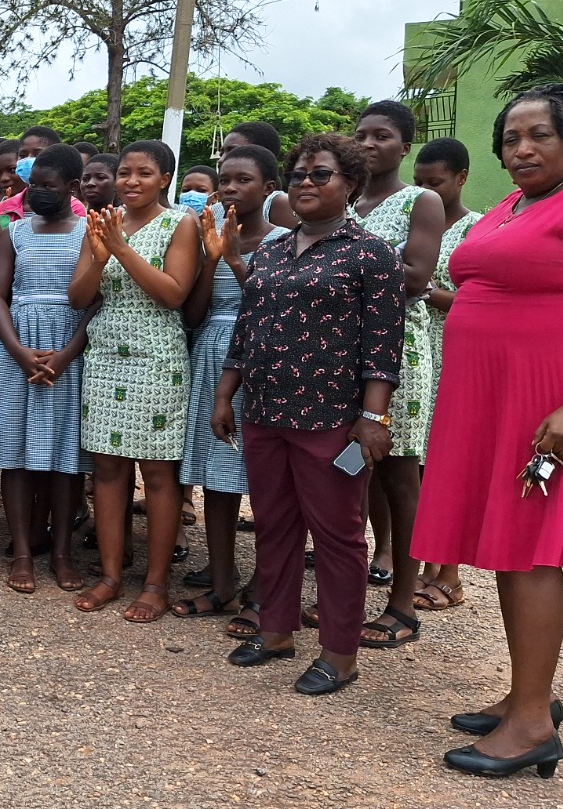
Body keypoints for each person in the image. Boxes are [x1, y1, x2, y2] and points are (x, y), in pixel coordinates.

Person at [413, 84, 563, 777]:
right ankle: (524, 697)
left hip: (553, 402)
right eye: (511, 138)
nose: (521, 149)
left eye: (539, 135)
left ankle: (534, 723)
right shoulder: (515, 205)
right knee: (512, 547)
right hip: (494, 399)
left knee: (531, 549)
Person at [214, 132, 404, 696]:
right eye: (298, 174)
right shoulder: (270, 250)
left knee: (339, 536)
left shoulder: (370, 254)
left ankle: (340, 652)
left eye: (321, 174)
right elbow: (246, 331)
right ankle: (276, 630)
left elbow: (382, 345)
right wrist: (227, 394)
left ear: (350, 185)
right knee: (275, 524)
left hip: (331, 421)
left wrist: (374, 419)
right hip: (266, 411)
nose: (305, 184)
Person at [69, 140, 200, 622]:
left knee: (158, 474)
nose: (131, 181)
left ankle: (156, 583)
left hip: (157, 357)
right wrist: (101, 254)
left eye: (144, 173)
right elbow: (79, 298)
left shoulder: (180, 223)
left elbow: (173, 294)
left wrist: (120, 248)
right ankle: (109, 576)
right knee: (106, 470)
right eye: (125, 172)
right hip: (105, 356)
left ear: (164, 179)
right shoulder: (100, 223)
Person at [172, 145, 285, 635]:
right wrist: (210, 257)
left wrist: (235, 258)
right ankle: (221, 581)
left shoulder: (288, 240)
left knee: (266, 484)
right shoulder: (208, 236)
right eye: (225, 181)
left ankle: (265, 589)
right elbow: (194, 315)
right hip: (212, 356)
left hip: (265, 361)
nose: (232, 189)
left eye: (244, 180)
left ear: (268, 187)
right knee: (215, 477)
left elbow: (272, 309)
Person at [0, 144, 93, 592]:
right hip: (15, 351)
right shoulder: (15, 232)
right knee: (17, 456)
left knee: (66, 461)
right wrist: (19, 350)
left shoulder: (90, 232)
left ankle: (62, 552)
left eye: (48, 186)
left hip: (70, 352)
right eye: (33, 186)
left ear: (72, 188)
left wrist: (65, 355)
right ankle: (23, 551)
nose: (37, 193)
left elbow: (95, 302)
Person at [352, 100, 445, 650]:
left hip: (397, 348)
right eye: (361, 134)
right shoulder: (345, 200)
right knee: (345, 472)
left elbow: (415, 276)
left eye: (381, 136)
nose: (368, 144)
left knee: (398, 474)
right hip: (341, 349)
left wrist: (347, 264)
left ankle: (403, 603)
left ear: (404, 146)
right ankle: (347, 591)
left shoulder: (421, 200)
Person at [409, 136, 480, 613]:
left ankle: (450, 574)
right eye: (419, 183)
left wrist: (430, 293)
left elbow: (483, 300)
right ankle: (421, 563)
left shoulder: (478, 229)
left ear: (460, 179)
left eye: (434, 183)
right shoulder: (416, 216)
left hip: (455, 354)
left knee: (447, 464)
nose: (426, 191)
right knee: (418, 467)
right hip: (419, 355)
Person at [221, 121, 294, 227]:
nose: (222, 159)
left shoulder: (280, 203)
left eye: (233, 151)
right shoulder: (215, 210)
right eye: (222, 152)